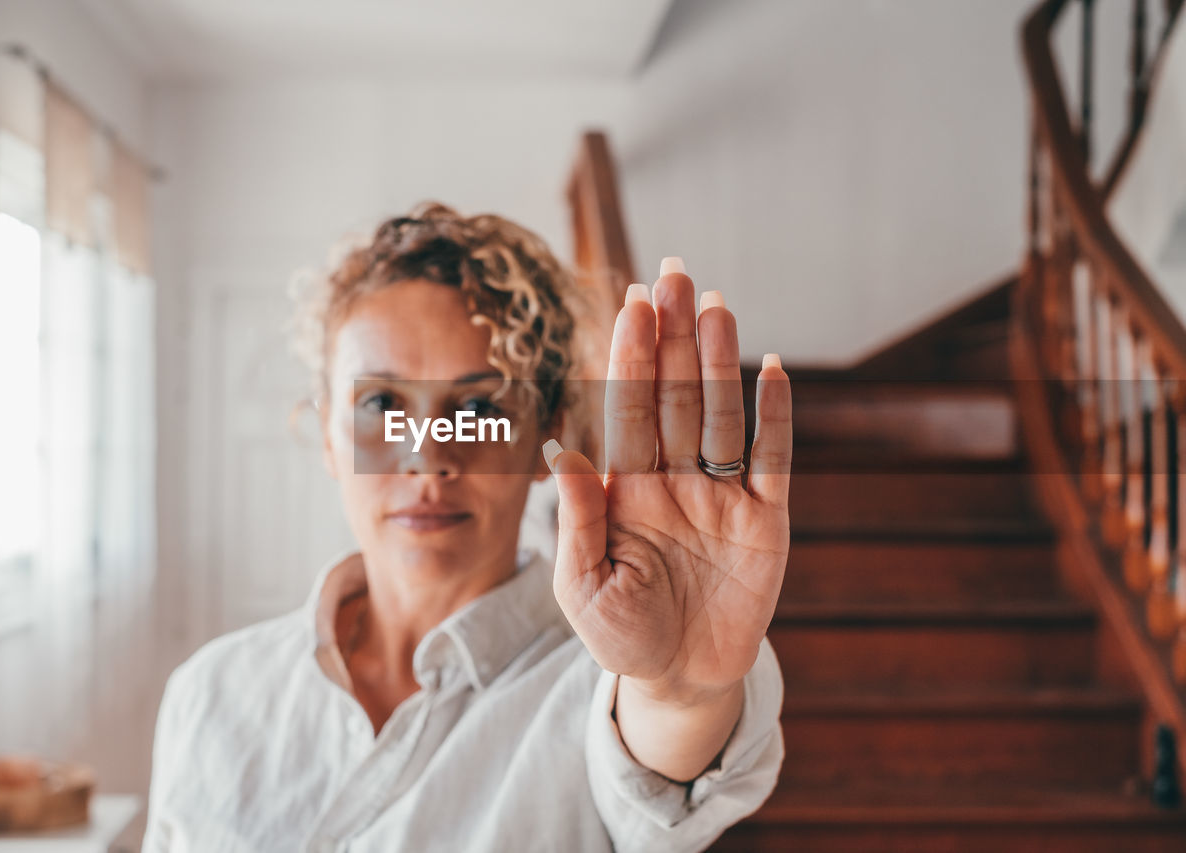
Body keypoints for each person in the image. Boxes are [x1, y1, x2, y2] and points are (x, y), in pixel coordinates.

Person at [142, 202, 791, 853]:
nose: (428, 454)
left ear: (551, 429)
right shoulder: (210, 691)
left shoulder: (605, 681)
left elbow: (658, 768)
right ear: (327, 436)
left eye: (478, 405)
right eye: (382, 403)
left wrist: (678, 694)